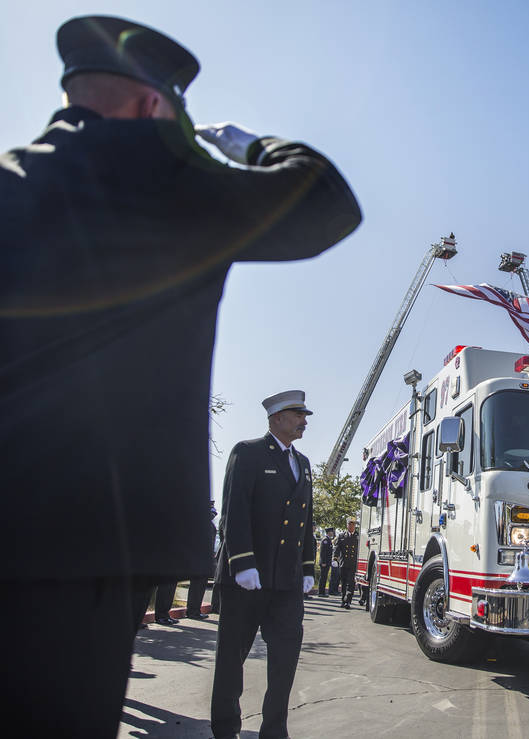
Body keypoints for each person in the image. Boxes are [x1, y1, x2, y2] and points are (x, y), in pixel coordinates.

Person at [0, 14, 361, 736]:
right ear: (150, 106)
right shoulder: (164, 178)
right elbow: (326, 201)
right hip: (92, 537)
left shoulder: (12, 178)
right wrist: (249, 145)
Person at [211, 390, 318, 739]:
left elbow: (307, 522)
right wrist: (241, 562)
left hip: (285, 585)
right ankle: (226, 729)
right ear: (276, 417)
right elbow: (234, 510)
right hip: (247, 581)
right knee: (231, 661)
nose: (304, 421)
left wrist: (307, 568)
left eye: (304, 415)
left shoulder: (302, 463)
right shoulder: (248, 453)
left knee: (285, 662)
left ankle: (274, 732)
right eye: (298, 414)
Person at [186, 501, 220, 619]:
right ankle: (192, 611)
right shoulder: (200, 523)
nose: (213, 514)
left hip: (204, 558)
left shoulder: (209, 524)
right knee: (197, 586)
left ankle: (194, 610)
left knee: (200, 586)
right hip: (198, 558)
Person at [335, 519, 360, 608]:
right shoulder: (342, 536)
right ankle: (343, 600)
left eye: (352, 525)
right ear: (347, 526)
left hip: (353, 563)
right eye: (349, 525)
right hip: (343, 563)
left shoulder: (358, 536)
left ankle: (348, 601)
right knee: (344, 582)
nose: (351, 526)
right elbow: (337, 548)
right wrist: (335, 558)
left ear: (354, 526)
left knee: (351, 583)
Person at [318, 528, 335, 597]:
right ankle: (321, 592)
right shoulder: (325, 540)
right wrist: (324, 562)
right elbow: (323, 552)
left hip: (327, 562)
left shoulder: (328, 540)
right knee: (323, 577)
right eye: (331, 532)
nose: (332, 533)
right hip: (324, 562)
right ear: (328, 532)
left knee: (324, 577)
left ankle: (322, 591)